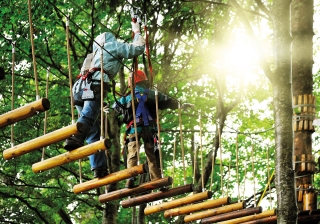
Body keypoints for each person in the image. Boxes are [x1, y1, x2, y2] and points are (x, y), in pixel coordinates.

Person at [64, 22, 146, 179]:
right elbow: (137, 48)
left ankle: (99, 168)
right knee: (88, 116)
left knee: (93, 131)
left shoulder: (92, 55)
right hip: (95, 84)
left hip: (79, 89)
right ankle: (74, 137)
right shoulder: (112, 46)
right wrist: (136, 30)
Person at [113, 70, 194, 188]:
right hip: (150, 129)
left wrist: (105, 108)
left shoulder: (125, 99)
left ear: (131, 84)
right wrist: (181, 105)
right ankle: (157, 180)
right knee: (152, 156)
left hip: (134, 130)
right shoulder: (154, 94)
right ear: (145, 81)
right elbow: (169, 102)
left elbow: (115, 108)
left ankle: (131, 177)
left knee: (133, 153)